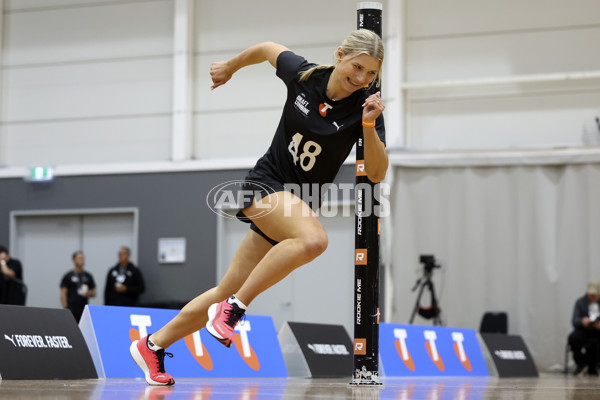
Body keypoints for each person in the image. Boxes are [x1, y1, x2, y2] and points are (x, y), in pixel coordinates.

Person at [130, 29, 387, 386]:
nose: (361, 78)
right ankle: (235, 309)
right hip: (267, 184)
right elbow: (268, 49)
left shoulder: (365, 107)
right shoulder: (304, 75)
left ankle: (152, 344)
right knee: (314, 240)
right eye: (357, 67)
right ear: (341, 54)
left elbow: (376, 172)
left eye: (371, 73)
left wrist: (370, 127)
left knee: (224, 288)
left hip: (296, 202)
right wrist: (231, 67)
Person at [568, 281, 600, 376]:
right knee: (573, 338)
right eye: (590, 295)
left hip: (598, 331)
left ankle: (593, 366)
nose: (592, 297)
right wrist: (582, 321)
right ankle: (581, 363)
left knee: (597, 343)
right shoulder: (580, 302)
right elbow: (575, 320)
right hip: (584, 330)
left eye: (594, 295)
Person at [60, 251, 97, 322]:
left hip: (84, 310)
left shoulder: (88, 276)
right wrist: (65, 308)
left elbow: (94, 292)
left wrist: (88, 294)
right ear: (74, 260)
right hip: (71, 309)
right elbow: (63, 293)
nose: (82, 260)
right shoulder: (68, 276)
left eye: (83, 258)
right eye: (79, 258)